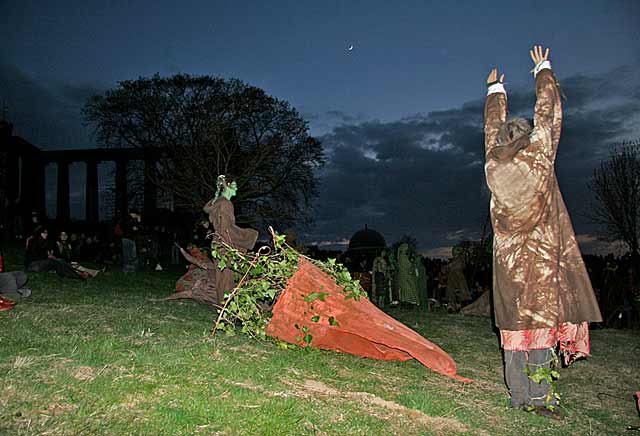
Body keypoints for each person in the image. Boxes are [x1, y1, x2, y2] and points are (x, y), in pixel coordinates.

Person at [484, 46, 602, 416]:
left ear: (503, 139)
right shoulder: (539, 156)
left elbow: (491, 132)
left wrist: (494, 92)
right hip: (540, 264)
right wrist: (542, 70)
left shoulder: (493, 163)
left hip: (507, 266)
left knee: (515, 330)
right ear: (528, 137)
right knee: (538, 329)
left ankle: (519, 396)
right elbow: (548, 114)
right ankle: (540, 399)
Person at [204, 175, 258, 303]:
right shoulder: (225, 204)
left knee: (223, 277)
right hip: (225, 244)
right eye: (235, 185)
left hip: (219, 243)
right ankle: (227, 309)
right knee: (228, 277)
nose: (237, 188)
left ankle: (224, 307)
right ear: (228, 186)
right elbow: (226, 229)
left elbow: (224, 227)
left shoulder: (219, 203)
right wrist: (250, 235)